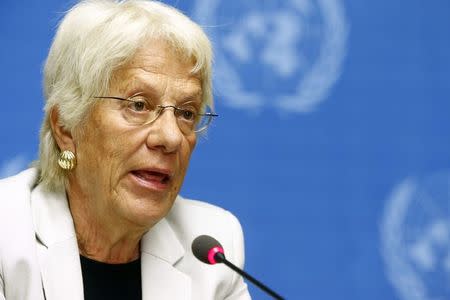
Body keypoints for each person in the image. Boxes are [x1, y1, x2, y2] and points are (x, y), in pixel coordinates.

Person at [0, 1, 251, 299]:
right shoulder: (7, 232)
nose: (171, 137)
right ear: (66, 127)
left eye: (186, 112)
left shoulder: (213, 246)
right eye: (139, 105)